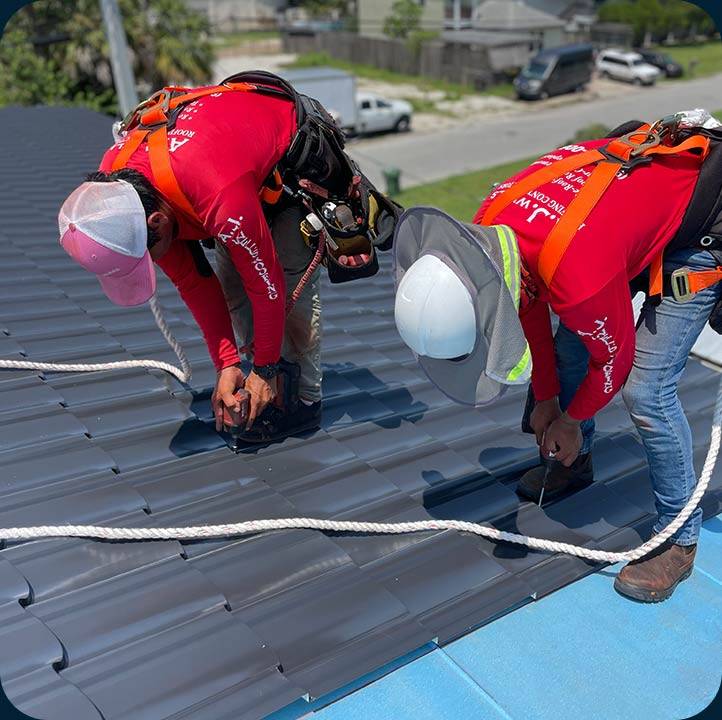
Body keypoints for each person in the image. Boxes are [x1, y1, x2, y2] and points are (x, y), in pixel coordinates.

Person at [393, 111, 722, 602]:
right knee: (570, 345)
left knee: (646, 391)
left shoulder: (579, 277)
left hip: (700, 227)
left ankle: (680, 537)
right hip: (611, 228)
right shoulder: (486, 230)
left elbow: (613, 366)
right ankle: (577, 461)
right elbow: (526, 312)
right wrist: (547, 400)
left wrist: (570, 418)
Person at [58, 73, 395, 443]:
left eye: (149, 255)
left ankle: (303, 401)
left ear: (157, 220)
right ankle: (261, 374)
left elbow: (267, 287)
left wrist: (264, 370)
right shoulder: (114, 199)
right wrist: (227, 364)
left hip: (283, 162)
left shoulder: (216, 193)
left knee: (288, 296)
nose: (155, 262)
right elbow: (194, 283)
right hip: (220, 164)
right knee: (233, 283)